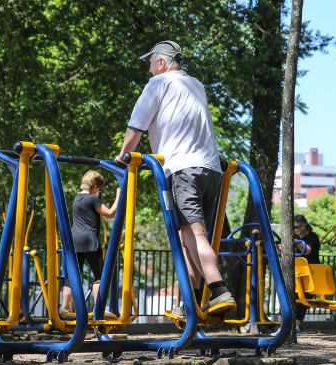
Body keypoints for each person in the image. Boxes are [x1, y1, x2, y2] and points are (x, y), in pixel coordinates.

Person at [115, 40, 236, 317]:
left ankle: (218, 289)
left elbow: (135, 129)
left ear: (161, 62)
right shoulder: (196, 85)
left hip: (182, 168)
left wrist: (123, 156)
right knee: (187, 238)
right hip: (212, 169)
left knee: (193, 233)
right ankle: (190, 303)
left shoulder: (157, 84)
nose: (148, 68)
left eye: (150, 62)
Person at [61, 170, 120, 312]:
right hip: (90, 241)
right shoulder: (93, 200)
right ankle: (100, 308)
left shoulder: (76, 199)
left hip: (74, 241)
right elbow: (110, 213)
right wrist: (119, 196)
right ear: (95, 186)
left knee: (73, 274)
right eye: (99, 188)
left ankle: (64, 308)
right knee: (99, 275)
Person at [293, 214, 321, 333]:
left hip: (311, 272)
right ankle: (290, 324)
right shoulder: (294, 237)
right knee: (293, 298)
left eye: (297, 227)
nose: (295, 230)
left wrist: (296, 241)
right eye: (293, 228)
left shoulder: (312, 236)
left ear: (304, 225)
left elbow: (307, 250)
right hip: (298, 272)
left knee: (304, 299)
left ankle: (296, 325)